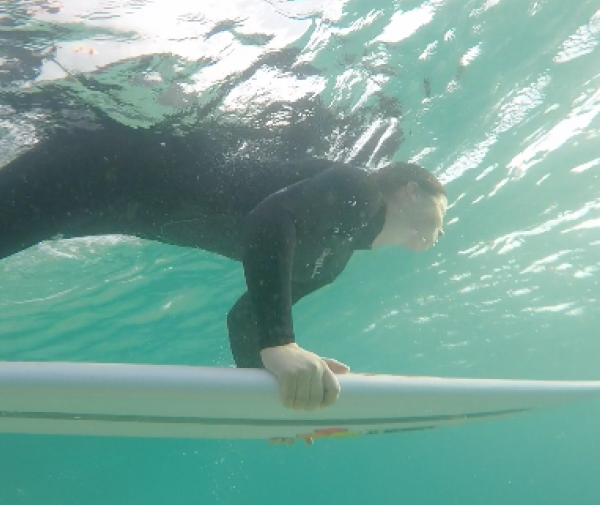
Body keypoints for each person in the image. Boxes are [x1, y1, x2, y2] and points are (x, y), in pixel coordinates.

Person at [0, 118, 447, 412]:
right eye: (440, 215)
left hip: (93, 203)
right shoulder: (359, 188)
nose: (441, 231)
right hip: (102, 163)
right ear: (410, 191)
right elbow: (270, 218)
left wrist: (266, 389)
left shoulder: (331, 262)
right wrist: (282, 345)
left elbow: (246, 316)